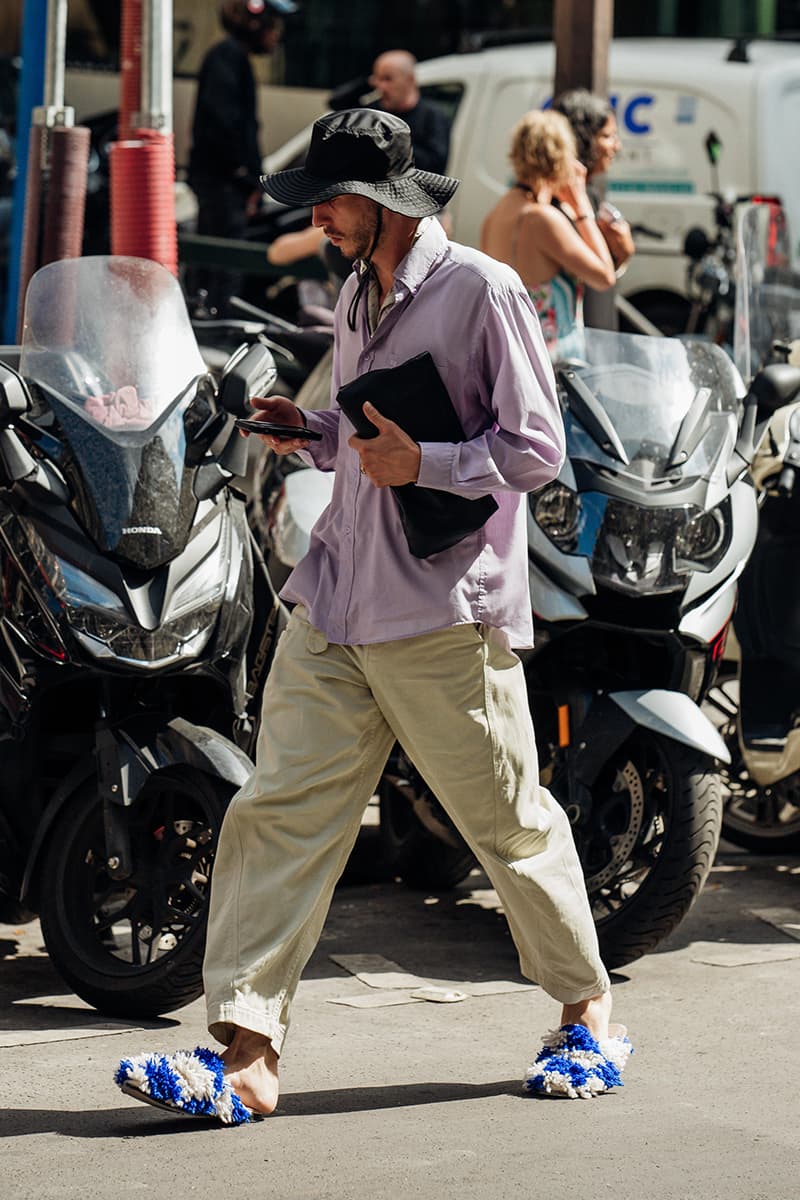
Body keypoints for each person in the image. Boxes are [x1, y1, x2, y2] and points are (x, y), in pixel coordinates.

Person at [114, 108, 632, 1124]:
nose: (319, 220)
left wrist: (424, 464)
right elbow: (364, 434)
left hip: (441, 612)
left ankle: (586, 1016)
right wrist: (304, 429)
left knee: (507, 827)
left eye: (329, 201)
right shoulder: (356, 291)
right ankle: (246, 1055)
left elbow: (535, 451)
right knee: (278, 814)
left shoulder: (478, 290)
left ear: (381, 202)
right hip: (338, 598)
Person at [187, 0, 297, 315]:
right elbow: (227, 125)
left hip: (224, 180)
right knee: (223, 261)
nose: (276, 37)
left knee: (217, 257)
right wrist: (245, 176)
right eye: (273, 27)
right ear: (256, 25)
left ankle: (210, 313)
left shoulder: (232, 58)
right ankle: (215, 322)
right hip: (222, 182)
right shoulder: (227, 57)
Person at [479, 108, 616, 359]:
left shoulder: (495, 214)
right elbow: (604, 276)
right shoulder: (542, 218)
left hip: (511, 356)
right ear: (560, 158)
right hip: (551, 364)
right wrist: (582, 207)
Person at [552, 89, 635, 330]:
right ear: (582, 139)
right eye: (608, 136)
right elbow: (597, 276)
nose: (617, 147)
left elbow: (599, 272)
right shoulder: (552, 203)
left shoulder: (589, 194)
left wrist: (622, 255)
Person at [369, 49, 451, 174]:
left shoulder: (432, 117)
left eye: (388, 79)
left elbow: (436, 166)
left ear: (410, 79)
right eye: (378, 79)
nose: (381, 87)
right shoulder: (373, 113)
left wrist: (392, 142)